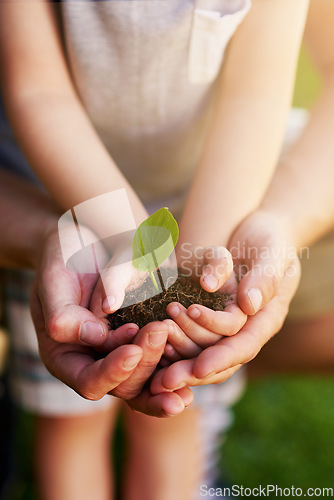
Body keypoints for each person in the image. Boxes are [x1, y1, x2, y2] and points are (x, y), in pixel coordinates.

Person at [0, 0, 310, 499]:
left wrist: (200, 265)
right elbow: (39, 92)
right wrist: (128, 237)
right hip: (67, 212)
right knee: (70, 419)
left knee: (173, 408)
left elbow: (255, 97)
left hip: (203, 203)